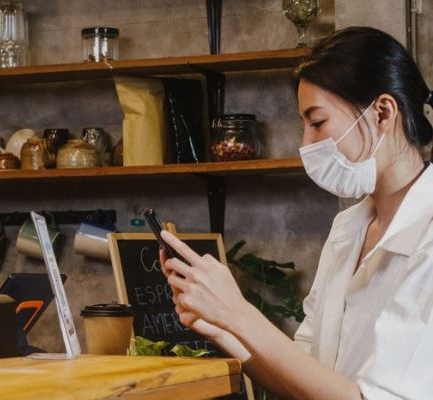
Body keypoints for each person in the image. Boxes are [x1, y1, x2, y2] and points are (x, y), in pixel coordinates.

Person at [159, 27, 433, 399]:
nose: (306, 144)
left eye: (317, 122)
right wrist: (221, 324)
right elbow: (304, 373)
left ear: (382, 113)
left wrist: (238, 312)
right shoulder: (347, 228)